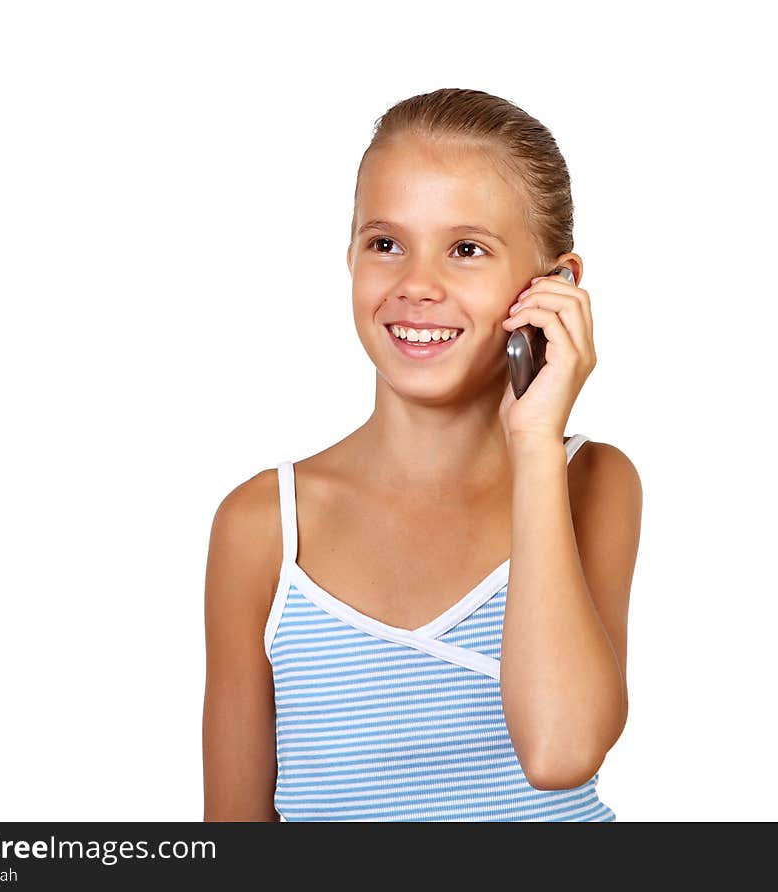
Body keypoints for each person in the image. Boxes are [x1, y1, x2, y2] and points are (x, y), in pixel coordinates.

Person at [202, 87, 642, 821]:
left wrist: (534, 444)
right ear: (349, 255)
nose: (416, 285)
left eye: (466, 249)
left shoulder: (591, 482)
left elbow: (561, 752)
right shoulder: (264, 528)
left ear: (555, 286)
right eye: (386, 243)